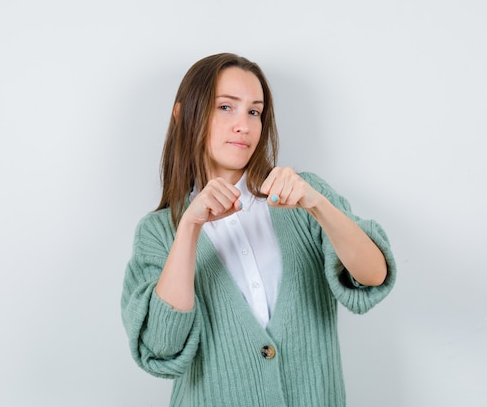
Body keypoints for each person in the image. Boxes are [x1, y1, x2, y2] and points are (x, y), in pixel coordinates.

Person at [121, 53, 396, 407]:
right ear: (182, 115)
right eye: (225, 107)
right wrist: (189, 227)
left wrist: (318, 205)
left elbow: (373, 276)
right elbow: (161, 347)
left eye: (254, 111)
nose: (244, 125)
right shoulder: (158, 232)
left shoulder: (303, 198)